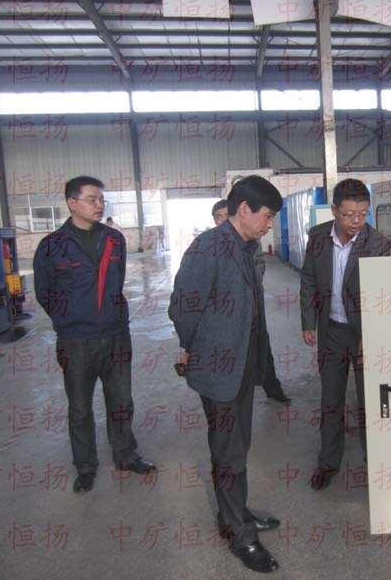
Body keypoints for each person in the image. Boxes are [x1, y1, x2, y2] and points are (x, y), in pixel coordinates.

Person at [169, 176, 283, 574]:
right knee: (229, 453)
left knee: (237, 447)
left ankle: (234, 512)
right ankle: (240, 535)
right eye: (267, 215)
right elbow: (182, 309)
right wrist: (199, 349)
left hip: (243, 365)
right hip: (219, 368)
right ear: (245, 209)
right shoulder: (209, 248)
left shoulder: (246, 247)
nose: (270, 223)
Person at [33, 176, 156, 494]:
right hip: (76, 341)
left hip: (116, 336)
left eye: (101, 199)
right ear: (72, 203)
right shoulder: (51, 246)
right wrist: (70, 319)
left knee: (121, 401)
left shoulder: (115, 240)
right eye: (92, 199)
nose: (99, 205)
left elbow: (117, 281)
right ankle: (85, 466)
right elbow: (44, 292)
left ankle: (125, 455)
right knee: (80, 408)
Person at [300, 179, 391, 491]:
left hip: (365, 333)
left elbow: (382, 295)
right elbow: (308, 279)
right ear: (334, 211)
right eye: (349, 214)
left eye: (363, 214)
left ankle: (374, 462)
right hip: (332, 331)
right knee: (331, 400)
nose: (356, 221)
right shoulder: (317, 237)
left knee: (371, 402)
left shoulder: (377, 244)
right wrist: (308, 322)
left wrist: (373, 337)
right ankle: (328, 463)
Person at [211, 199, 290, 404]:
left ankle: (273, 388)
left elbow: (260, 264)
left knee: (262, 349)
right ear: (215, 220)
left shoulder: (250, 240)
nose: (223, 220)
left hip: (252, 307)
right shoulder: (209, 246)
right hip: (227, 314)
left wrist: (249, 282)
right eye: (219, 217)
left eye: (227, 216)